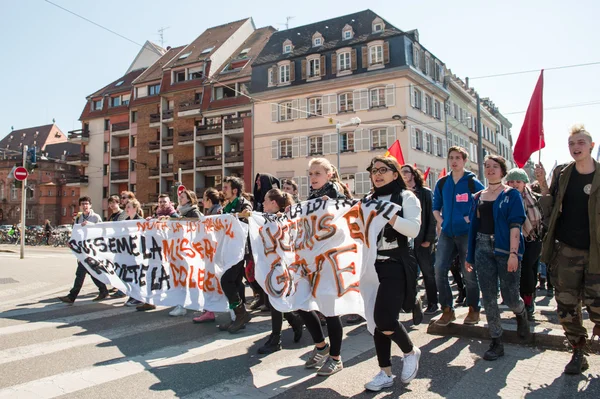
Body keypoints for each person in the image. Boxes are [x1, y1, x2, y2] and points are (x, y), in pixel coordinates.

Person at [535, 123, 600, 375]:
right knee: (566, 307)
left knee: (598, 307)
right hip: (567, 253)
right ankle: (578, 351)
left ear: (591, 146)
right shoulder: (563, 174)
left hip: (596, 253)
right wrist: (542, 184)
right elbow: (550, 212)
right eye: (572, 144)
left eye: (581, 143)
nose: (576, 147)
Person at [363, 156, 422, 392]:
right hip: (370, 266)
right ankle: (385, 372)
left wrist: (389, 214)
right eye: (373, 170)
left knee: (384, 319)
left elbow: (413, 229)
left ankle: (410, 351)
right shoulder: (367, 200)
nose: (377, 174)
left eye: (383, 170)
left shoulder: (407, 197)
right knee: (375, 321)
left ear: (395, 174)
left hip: (396, 264)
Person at [466, 155, 529, 361]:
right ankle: (496, 340)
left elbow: (515, 226)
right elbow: (473, 228)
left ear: (503, 171)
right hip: (482, 247)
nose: (490, 170)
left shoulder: (511, 195)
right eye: (487, 167)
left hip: (504, 248)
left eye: (495, 167)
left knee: (510, 296)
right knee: (489, 296)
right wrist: (469, 256)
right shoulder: (478, 197)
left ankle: (521, 313)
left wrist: (513, 254)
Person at [298, 157, 349, 376]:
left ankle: (335, 358)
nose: (313, 178)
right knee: (301, 302)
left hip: (329, 260)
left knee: (329, 309)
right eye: (310, 174)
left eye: (317, 173)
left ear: (329, 174)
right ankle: (321, 346)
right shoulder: (312, 197)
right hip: (311, 258)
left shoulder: (335, 194)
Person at [432, 146, 485, 326]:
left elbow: (483, 203)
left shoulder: (472, 183)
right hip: (447, 233)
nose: (454, 161)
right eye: (451, 157)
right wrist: (440, 220)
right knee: (439, 270)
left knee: (468, 273)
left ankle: (473, 309)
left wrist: (470, 219)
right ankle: (447, 310)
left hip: (466, 234)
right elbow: (435, 206)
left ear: (464, 161)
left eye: (458, 158)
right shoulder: (442, 183)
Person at [255, 188, 304, 354]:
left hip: (280, 267)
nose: (262, 203)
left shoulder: (281, 220)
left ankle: (276, 339)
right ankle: (294, 320)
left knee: (275, 300)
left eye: (266, 200)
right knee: (273, 300)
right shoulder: (268, 219)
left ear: (273, 203)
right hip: (271, 266)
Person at [506, 168, 544, 320]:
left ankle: (528, 302)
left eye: (518, 182)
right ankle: (524, 302)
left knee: (530, 270)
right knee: (521, 273)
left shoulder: (534, 197)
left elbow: (541, 217)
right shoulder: (505, 197)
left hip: (533, 239)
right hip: (514, 240)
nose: (515, 184)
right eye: (511, 181)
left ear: (524, 183)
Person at [217, 176, 253, 333]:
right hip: (227, 249)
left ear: (235, 190)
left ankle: (240, 314)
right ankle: (238, 317)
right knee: (236, 283)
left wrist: (244, 214)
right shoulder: (227, 206)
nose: (223, 190)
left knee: (226, 281)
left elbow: (248, 218)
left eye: (226, 187)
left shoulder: (243, 204)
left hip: (238, 250)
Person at [401, 164, 437, 317]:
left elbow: (431, 217)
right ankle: (413, 303)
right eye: (401, 172)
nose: (403, 175)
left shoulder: (425, 193)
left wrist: (429, 239)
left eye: (406, 172)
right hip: (407, 242)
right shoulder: (401, 194)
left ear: (413, 174)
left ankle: (433, 302)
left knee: (428, 272)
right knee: (409, 274)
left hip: (422, 240)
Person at [58, 197, 108, 303]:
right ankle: (103, 290)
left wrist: (90, 226)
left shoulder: (95, 217)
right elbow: (76, 232)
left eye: (86, 204)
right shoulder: (78, 218)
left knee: (81, 273)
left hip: (92, 250)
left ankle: (72, 296)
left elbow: (101, 231)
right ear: (80, 206)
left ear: (90, 205)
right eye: (83, 204)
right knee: (90, 272)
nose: (85, 206)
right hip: (82, 250)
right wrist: (72, 242)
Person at [137, 194, 180, 312]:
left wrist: (168, 220)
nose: (162, 204)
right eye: (160, 201)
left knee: (169, 277)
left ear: (170, 203)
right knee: (151, 275)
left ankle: (175, 302)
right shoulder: (156, 216)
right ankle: (150, 301)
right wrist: (151, 222)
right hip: (156, 253)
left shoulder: (174, 215)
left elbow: (179, 227)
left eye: (164, 202)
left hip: (170, 252)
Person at [192, 188, 225, 324]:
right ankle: (209, 310)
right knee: (211, 281)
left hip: (215, 253)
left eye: (204, 198)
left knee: (215, 282)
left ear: (209, 201)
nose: (202, 201)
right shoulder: (211, 213)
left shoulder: (217, 213)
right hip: (211, 253)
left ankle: (213, 310)